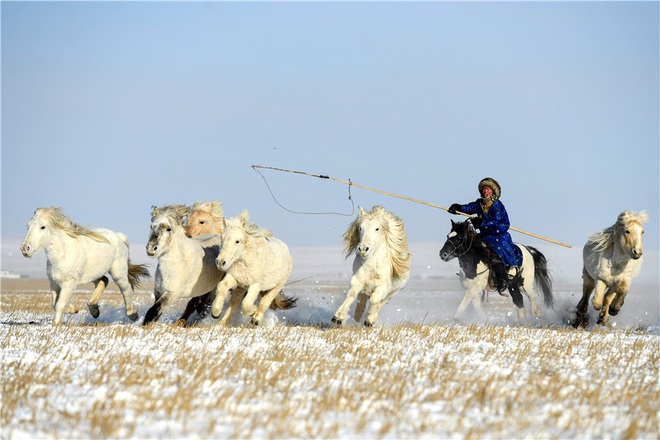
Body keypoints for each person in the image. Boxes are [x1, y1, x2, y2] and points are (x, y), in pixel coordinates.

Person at [448, 177, 523, 297]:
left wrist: (481, 223)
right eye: (484, 189)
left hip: (498, 235)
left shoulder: (497, 205)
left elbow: (496, 221)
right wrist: (458, 208)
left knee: (496, 251)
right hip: (484, 235)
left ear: (493, 191)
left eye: (487, 189)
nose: (485, 191)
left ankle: (504, 279)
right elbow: (469, 208)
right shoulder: (479, 203)